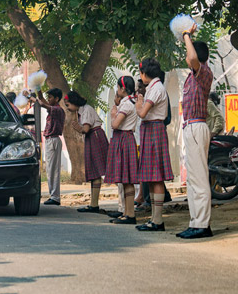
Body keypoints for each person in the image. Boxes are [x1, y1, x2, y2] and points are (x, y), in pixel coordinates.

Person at [176, 25, 214, 239]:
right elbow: (191, 58)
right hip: (190, 127)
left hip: (197, 126)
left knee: (199, 178)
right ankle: (195, 221)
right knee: (192, 179)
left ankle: (202, 224)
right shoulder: (192, 76)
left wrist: (186, 35)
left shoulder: (203, 72)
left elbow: (192, 58)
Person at [135, 58, 173, 231]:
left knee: (156, 176)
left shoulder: (156, 88)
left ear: (144, 73)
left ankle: (158, 220)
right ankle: (154, 218)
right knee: (151, 177)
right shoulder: (154, 87)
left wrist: (138, 101)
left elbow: (142, 113)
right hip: (151, 130)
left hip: (154, 130)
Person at [65, 91, 109, 213]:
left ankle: (120, 203)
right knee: (94, 172)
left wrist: (78, 128)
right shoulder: (80, 111)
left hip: (95, 137)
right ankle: (93, 204)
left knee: (101, 169)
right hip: (92, 138)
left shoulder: (87, 109)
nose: (68, 108)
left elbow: (85, 129)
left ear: (74, 102)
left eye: (68, 105)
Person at [105, 77, 140, 225]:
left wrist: (113, 115)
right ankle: (126, 212)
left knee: (127, 180)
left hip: (124, 139)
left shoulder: (126, 105)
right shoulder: (130, 102)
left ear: (123, 89)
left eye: (118, 88)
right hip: (125, 139)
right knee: (126, 180)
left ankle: (130, 214)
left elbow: (115, 124)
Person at [36, 88, 65, 205]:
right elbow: (42, 100)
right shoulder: (54, 109)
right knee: (50, 169)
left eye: (51, 97)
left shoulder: (58, 110)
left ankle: (55, 197)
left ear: (57, 99)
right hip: (49, 140)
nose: (49, 99)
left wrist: (34, 97)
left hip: (53, 140)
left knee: (53, 169)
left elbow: (42, 103)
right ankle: (53, 195)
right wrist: (38, 91)